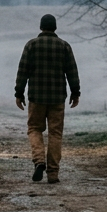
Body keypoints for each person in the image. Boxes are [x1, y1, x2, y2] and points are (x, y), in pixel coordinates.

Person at [14, 14, 80, 183]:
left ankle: (39, 161)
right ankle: (53, 173)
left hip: (36, 97)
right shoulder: (64, 46)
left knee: (34, 129)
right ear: (55, 27)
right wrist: (75, 92)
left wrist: (19, 93)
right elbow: (72, 71)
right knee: (55, 133)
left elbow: (23, 71)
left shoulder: (31, 45)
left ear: (41, 27)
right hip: (57, 98)